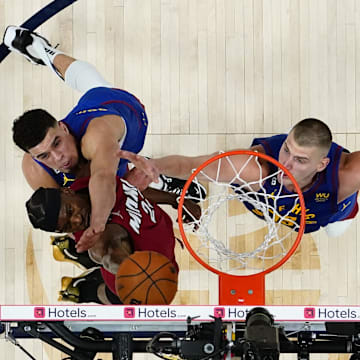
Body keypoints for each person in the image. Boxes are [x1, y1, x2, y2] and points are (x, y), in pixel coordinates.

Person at [4, 26, 206, 253]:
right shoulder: (35, 169)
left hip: (119, 109)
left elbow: (108, 182)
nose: (58, 157)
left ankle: (44, 51)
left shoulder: (95, 136)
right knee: (96, 200)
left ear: (63, 127)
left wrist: (100, 223)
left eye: (57, 143)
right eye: (44, 155)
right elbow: (67, 221)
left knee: (90, 85)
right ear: (34, 156)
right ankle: (150, 174)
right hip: (106, 154)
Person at [116, 118, 360, 236]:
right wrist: (155, 166)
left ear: (322, 164)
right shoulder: (252, 168)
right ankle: (171, 182)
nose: (286, 163)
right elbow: (191, 164)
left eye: (301, 160)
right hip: (265, 203)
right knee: (201, 172)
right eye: (287, 149)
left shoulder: (348, 175)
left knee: (336, 232)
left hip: (334, 214)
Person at [25, 175, 201, 304]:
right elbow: (110, 253)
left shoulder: (92, 181)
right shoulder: (101, 242)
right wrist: (141, 277)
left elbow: (133, 192)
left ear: (68, 191)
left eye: (70, 211)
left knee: (85, 251)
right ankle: (84, 290)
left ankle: (73, 252)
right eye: (67, 227)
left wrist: (176, 200)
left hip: (157, 233)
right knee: (107, 295)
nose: (77, 221)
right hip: (130, 282)